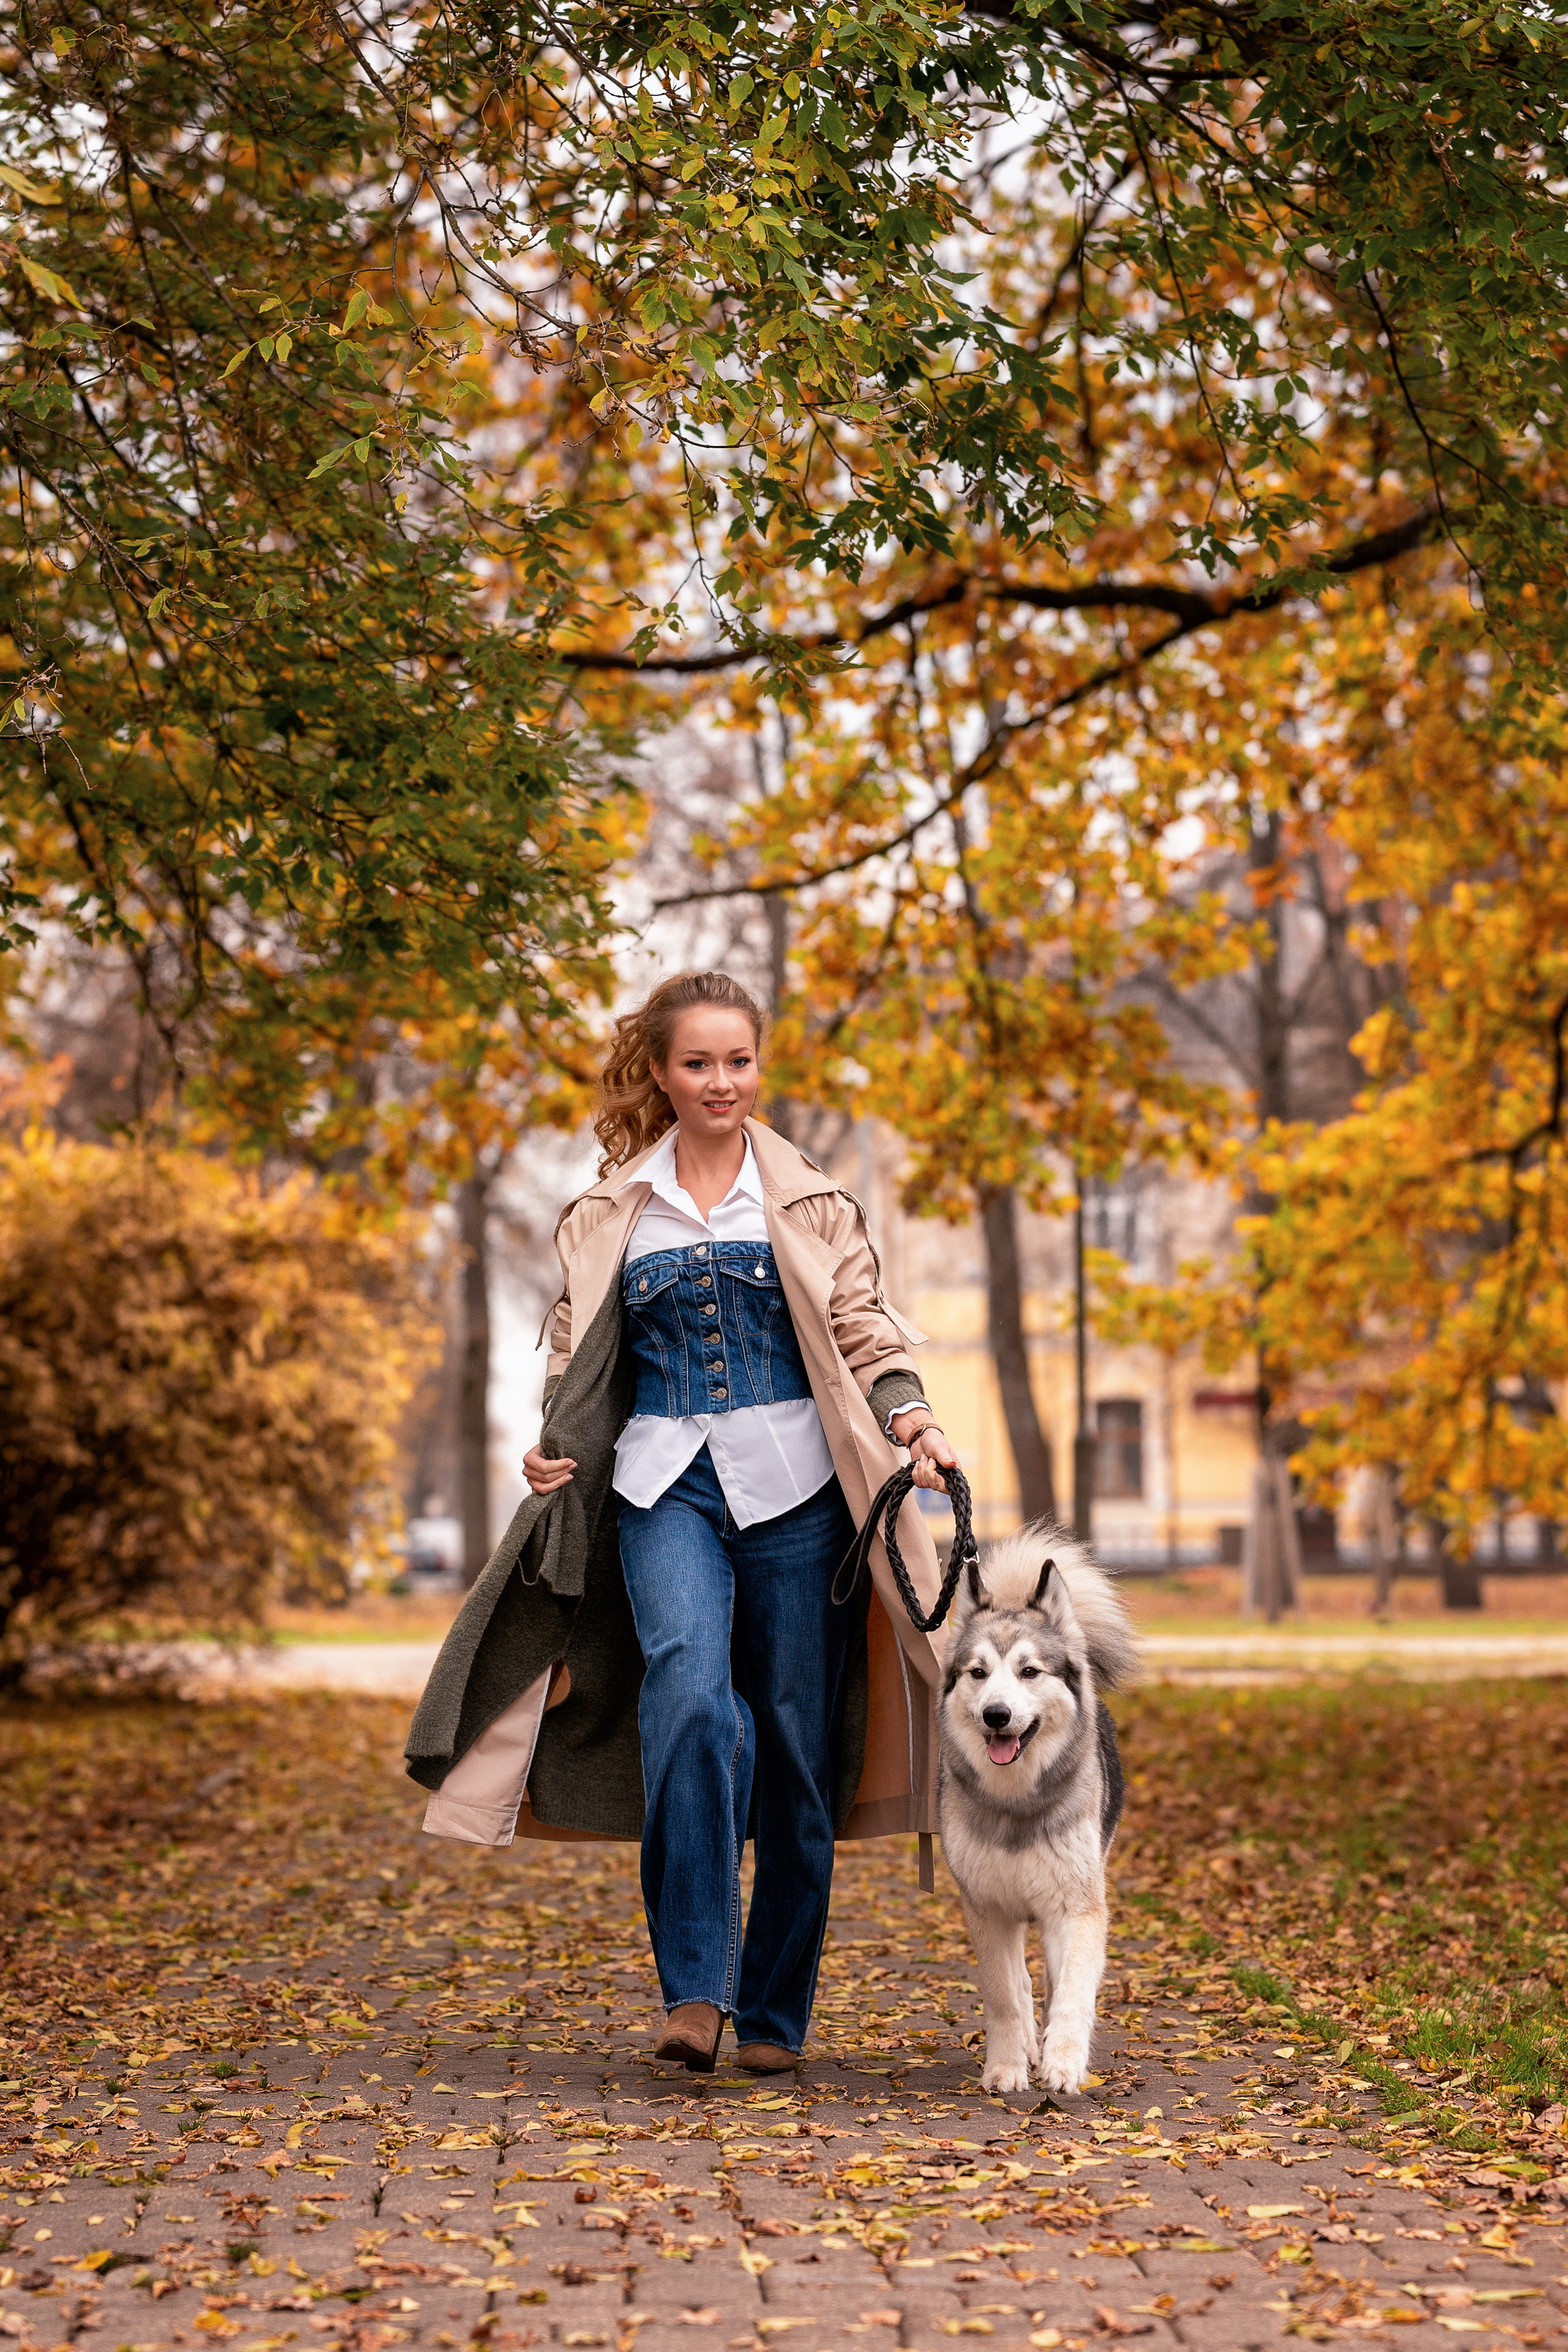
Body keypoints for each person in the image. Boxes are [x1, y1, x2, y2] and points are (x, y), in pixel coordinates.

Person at [405, 969, 960, 2077]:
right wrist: (546, 1444)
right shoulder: (611, 1211)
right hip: (661, 1489)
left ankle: (776, 2015)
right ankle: (694, 1989)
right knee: (692, 1698)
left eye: (739, 1060)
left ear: (761, 1066)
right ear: (660, 1072)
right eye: (698, 1062)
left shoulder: (810, 1202)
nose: (722, 1081)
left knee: (799, 1748)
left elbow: (863, 1330)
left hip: (801, 1494)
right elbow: (574, 1359)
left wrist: (915, 1421)